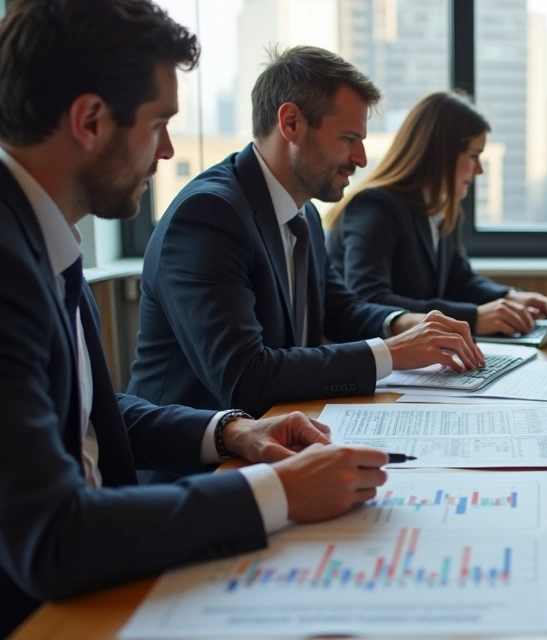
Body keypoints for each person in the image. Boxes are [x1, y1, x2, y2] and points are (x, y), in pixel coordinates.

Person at [0, 2, 393, 634]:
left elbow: (81, 413)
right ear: (91, 121)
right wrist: (279, 494)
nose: (167, 150)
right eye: (158, 123)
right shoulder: (13, 260)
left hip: (120, 545)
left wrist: (227, 431)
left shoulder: (43, 239)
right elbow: (51, 539)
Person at [128, 47, 485, 419]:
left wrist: (403, 323)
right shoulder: (209, 215)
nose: (361, 158)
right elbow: (245, 378)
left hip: (283, 433)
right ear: (292, 123)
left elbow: (340, 309)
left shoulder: (304, 213)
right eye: (348, 138)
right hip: (200, 463)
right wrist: (392, 353)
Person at [325, 91, 547, 337]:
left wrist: (512, 298)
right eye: (473, 156)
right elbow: (369, 299)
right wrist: (473, 318)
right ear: (441, 154)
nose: (479, 170)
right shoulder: (376, 207)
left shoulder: (442, 211)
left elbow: (459, 281)